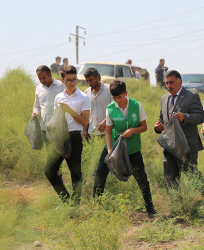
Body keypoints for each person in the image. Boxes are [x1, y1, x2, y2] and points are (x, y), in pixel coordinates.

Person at [93, 80, 157, 218]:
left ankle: (150, 209)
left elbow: (144, 127)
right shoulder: (110, 108)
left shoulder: (136, 105)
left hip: (132, 148)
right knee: (100, 173)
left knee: (141, 177)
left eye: (119, 97)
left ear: (126, 93)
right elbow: (108, 133)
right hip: (114, 147)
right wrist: (110, 152)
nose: (117, 100)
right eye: (114, 98)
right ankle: (96, 208)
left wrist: (133, 130)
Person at [154, 70, 204, 212]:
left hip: (186, 145)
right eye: (167, 83)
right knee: (170, 178)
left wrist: (185, 117)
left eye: (171, 82)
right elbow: (162, 119)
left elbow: (200, 117)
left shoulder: (191, 96)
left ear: (180, 82)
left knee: (193, 176)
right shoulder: (164, 98)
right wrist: (158, 126)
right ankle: (177, 211)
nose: (169, 86)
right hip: (169, 145)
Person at [45, 65, 91, 205]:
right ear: (63, 80)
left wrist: (69, 110)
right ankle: (66, 200)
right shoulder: (59, 97)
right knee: (49, 170)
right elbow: (56, 118)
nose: (72, 83)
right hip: (59, 137)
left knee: (75, 173)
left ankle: (75, 205)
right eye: (69, 80)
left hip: (74, 137)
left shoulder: (84, 97)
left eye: (74, 80)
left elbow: (84, 121)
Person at [32, 65, 65, 150]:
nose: (42, 81)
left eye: (44, 78)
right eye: (40, 79)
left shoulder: (61, 86)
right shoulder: (38, 88)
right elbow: (37, 106)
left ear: (50, 74)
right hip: (45, 128)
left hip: (58, 129)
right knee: (49, 154)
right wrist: (36, 112)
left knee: (59, 154)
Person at [82, 67, 112, 140]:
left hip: (106, 132)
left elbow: (113, 109)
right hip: (91, 132)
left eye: (91, 80)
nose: (89, 83)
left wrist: (105, 121)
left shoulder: (109, 90)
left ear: (97, 77)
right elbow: (86, 113)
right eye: (87, 81)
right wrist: (84, 129)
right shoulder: (86, 92)